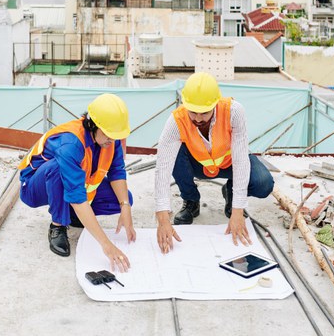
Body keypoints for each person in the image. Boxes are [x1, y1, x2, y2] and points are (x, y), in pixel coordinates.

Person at [154, 72, 274, 253]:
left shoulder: (234, 111)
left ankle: (230, 191)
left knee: (263, 184)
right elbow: (162, 167)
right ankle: (191, 200)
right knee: (173, 154)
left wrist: (238, 210)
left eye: (204, 113)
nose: (198, 118)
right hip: (199, 165)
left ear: (215, 104)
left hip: (230, 164)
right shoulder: (176, 120)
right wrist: (163, 218)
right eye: (193, 112)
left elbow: (241, 160)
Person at [19, 93, 136, 271]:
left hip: (74, 184)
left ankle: (73, 215)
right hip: (35, 188)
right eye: (108, 134)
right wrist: (106, 245)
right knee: (57, 169)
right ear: (93, 125)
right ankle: (58, 225)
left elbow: (117, 171)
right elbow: (76, 195)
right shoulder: (71, 143)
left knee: (123, 198)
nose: (112, 140)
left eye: (115, 135)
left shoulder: (111, 139)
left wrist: (125, 206)